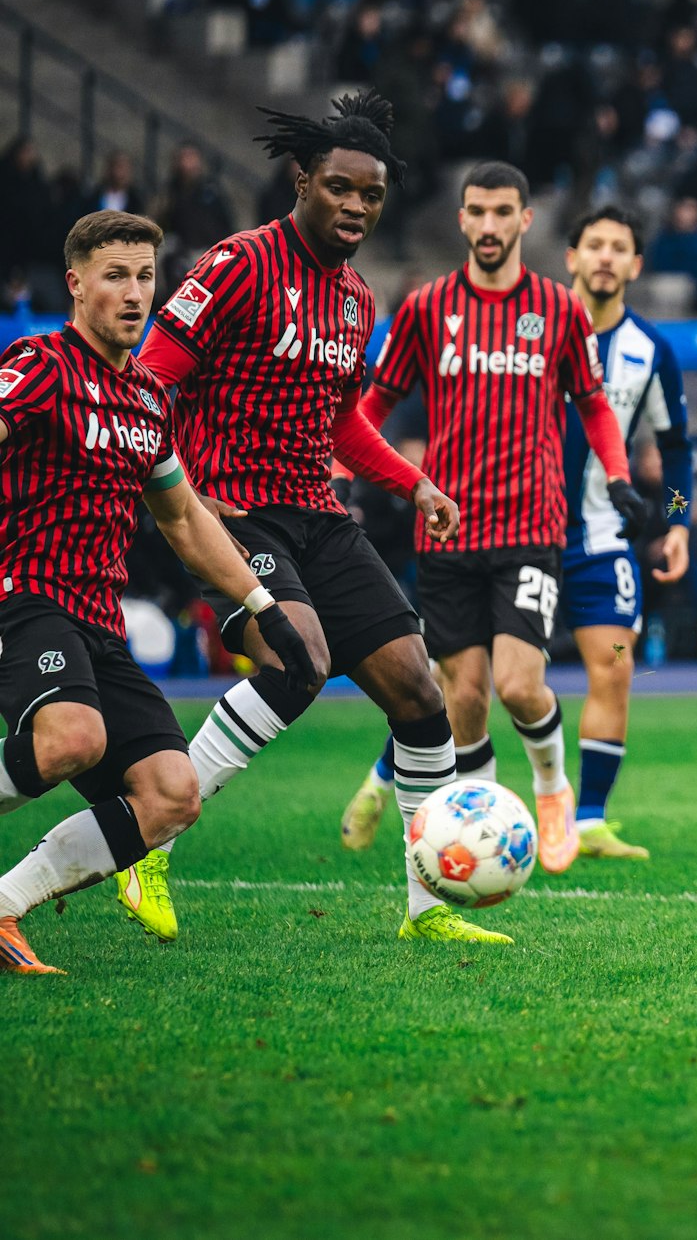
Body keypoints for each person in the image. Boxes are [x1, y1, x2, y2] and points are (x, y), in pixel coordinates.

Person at [117, 93, 501, 946]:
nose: (357, 207)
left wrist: (414, 483)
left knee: (417, 687)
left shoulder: (358, 299)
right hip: (233, 511)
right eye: (340, 188)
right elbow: (148, 382)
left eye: (371, 195)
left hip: (319, 516)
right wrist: (176, 489)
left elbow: (343, 423)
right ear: (302, 180)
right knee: (300, 661)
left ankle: (428, 906)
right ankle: (149, 837)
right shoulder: (236, 265)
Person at [0, 212, 317, 973]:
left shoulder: (148, 399)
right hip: (24, 598)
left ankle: (5, 906)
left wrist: (264, 606)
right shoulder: (39, 365)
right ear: (76, 285)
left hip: (96, 622)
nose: (135, 293)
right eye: (116, 276)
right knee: (74, 738)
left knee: (172, 796)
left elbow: (182, 516)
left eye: (145, 276)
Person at [334, 163, 646, 874]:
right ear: (463, 220)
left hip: (533, 525)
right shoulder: (425, 308)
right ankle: (480, 824)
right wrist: (345, 470)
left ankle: (552, 790)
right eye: (477, 211)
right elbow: (377, 400)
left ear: (524, 220)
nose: (490, 225)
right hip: (446, 526)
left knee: (517, 684)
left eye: (504, 212)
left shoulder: (558, 311)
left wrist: (621, 477)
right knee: (463, 695)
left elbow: (594, 404)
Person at [559, 205, 692, 857]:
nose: (606, 257)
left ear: (636, 266)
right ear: (572, 258)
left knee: (614, 668)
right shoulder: (532, 330)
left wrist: (677, 520)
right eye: (595, 245)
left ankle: (587, 820)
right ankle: (393, 778)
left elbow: (675, 447)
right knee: (471, 675)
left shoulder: (650, 350)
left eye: (620, 248)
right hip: (514, 531)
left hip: (602, 539)